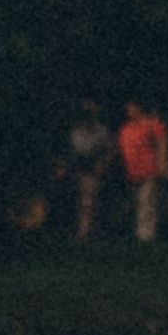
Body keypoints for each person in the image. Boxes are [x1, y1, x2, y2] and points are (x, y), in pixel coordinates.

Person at [117, 99, 167, 244]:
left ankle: (145, 235)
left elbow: (161, 143)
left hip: (148, 169)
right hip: (132, 171)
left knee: (146, 203)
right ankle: (136, 232)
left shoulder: (152, 125)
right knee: (136, 203)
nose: (128, 111)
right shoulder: (126, 128)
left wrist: (161, 163)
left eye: (131, 108)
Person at [67, 99, 113, 241]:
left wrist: (103, 164)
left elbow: (110, 150)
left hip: (95, 169)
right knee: (83, 202)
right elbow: (74, 151)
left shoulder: (101, 131)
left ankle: (89, 231)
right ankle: (84, 230)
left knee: (91, 202)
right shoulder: (77, 132)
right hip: (80, 169)